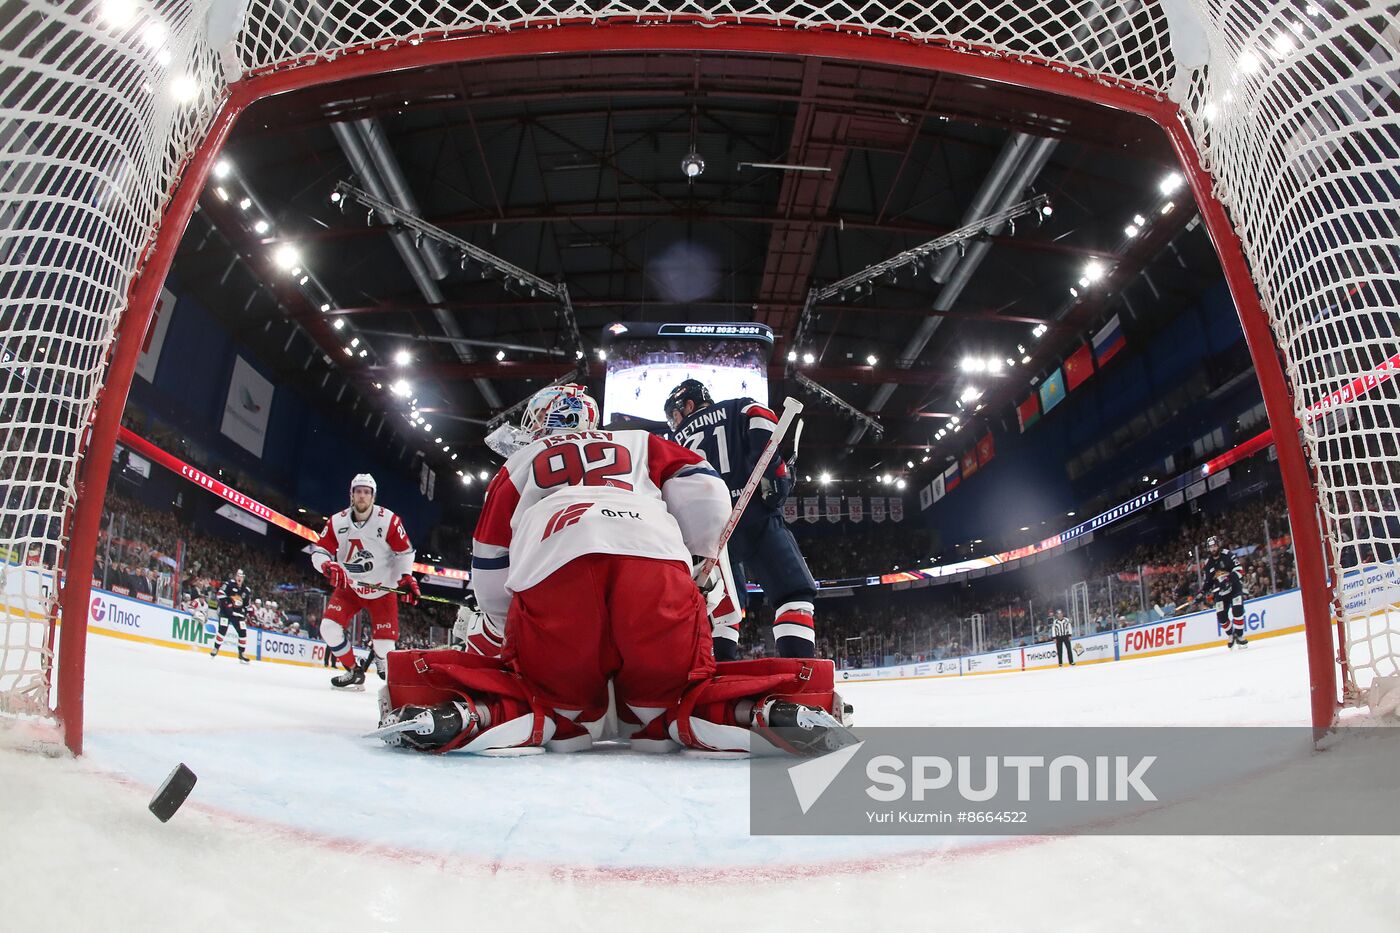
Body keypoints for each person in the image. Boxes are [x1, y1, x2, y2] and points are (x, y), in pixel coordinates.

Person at [373, 383, 851, 756]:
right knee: (674, 700)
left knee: (549, 701)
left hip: (556, 576)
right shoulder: (642, 441)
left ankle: (473, 712)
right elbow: (708, 498)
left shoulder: (522, 460)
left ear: (542, 421)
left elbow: (489, 567)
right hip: (654, 565)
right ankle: (763, 711)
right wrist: (697, 553)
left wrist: (509, 635)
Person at [663, 378, 817, 661]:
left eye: (674, 414)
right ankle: (801, 673)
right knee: (793, 596)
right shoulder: (739, 407)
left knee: (723, 613)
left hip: (705, 534)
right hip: (752, 514)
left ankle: (721, 675)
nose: (675, 421)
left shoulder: (671, 441)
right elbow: (763, 420)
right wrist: (777, 476)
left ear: (688, 404)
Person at [309, 473, 420, 689]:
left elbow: (405, 553)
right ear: (351, 495)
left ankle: (379, 657)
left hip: (383, 590)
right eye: (358, 491)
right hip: (350, 587)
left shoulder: (388, 520)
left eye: (366, 492)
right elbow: (319, 552)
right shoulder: (336, 521)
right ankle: (354, 671)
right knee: (328, 628)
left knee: (385, 647)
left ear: (373, 496)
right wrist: (326, 565)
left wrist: (405, 577)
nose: (362, 496)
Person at [1201, 535, 1248, 648]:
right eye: (1210, 547)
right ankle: (1231, 634)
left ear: (1219, 545)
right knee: (1221, 616)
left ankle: (1239, 636)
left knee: (1237, 611)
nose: (1213, 549)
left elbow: (1239, 570)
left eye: (1215, 546)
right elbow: (1208, 582)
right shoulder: (1208, 563)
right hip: (1220, 592)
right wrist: (1202, 592)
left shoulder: (1227, 555)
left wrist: (1228, 579)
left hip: (1234, 588)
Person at [210, 568, 251, 663]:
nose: (239, 578)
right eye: (238, 576)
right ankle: (216, 648)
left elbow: (247, 606)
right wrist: (228, 605)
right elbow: (220, 594)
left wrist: (243, 613)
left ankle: (241, 653)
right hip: (226, 612)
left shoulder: (246, 590)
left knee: (243, 632)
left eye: (241, 576)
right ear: (235, 576)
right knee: (222, 630)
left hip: (238, 614)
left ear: (243, 578)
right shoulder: (228, 584)